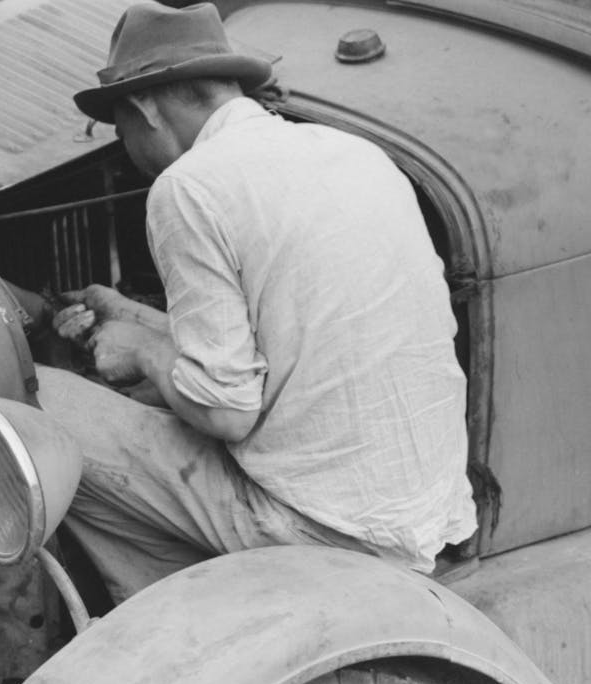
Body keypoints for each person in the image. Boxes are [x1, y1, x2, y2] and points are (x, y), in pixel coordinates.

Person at [33, 2, 477, 603]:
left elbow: (227, 413)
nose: (128, 150)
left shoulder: (187, 187)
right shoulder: (352, 152)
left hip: (321, 526)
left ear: (144, 109)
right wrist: (129, 313)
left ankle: (172, 612)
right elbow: (288, 339)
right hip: (422, 509)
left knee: (39, 404)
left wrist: (140, 351)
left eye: (121, 131)